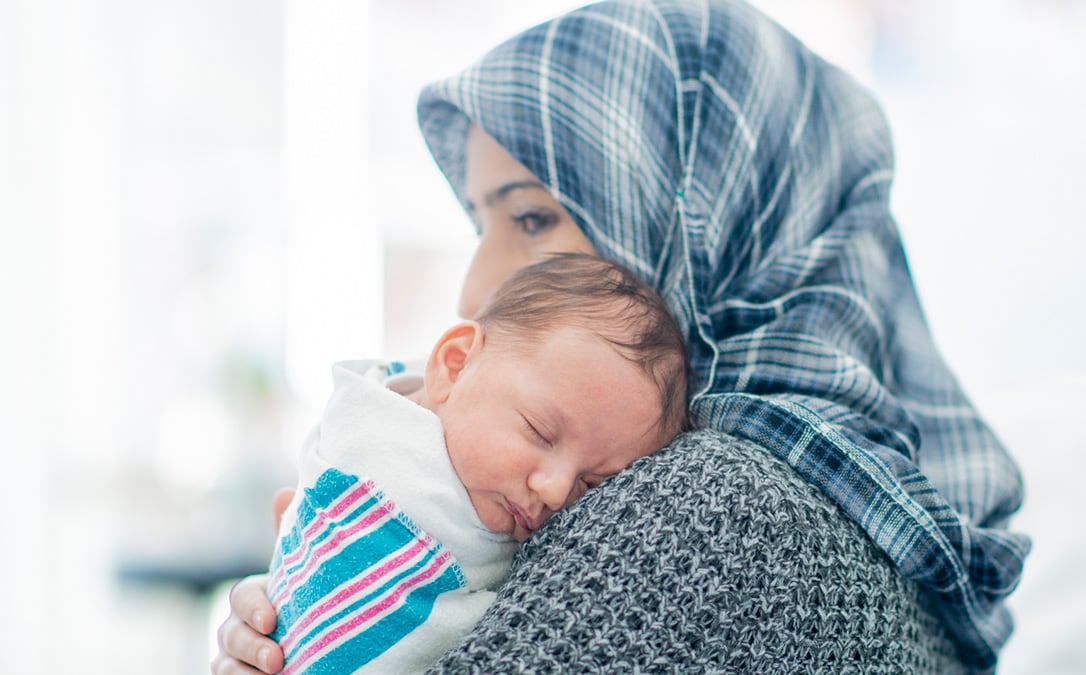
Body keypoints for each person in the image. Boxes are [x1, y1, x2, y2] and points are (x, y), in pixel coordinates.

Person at [213, 1, 1031, 673]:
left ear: (704, 215)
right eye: (482, 221)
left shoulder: (716, 510)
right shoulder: (865, 523)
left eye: (533, 217)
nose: (475, 287)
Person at [265, 253, 689, 674]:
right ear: (454, 365)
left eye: (592, 485)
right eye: (540, 432)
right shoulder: (376, 450)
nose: (557, 491)